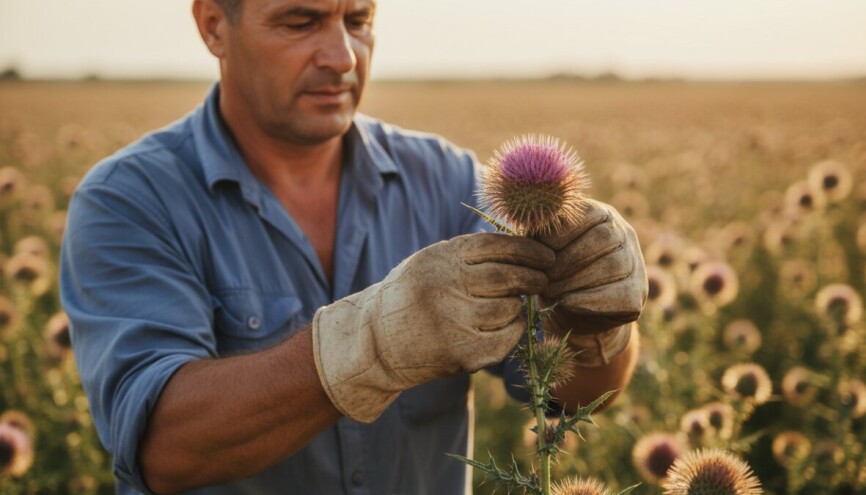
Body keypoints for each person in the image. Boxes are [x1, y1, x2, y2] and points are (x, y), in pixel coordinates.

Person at [59, 0, 648, 493]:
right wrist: (374, 341)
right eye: (299, 21)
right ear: (214, 24)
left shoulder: (446, 181)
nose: (342, 56)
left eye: (359, 20)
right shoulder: (128, 200)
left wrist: (594, 321)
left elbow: (562, 394)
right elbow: (163, 446)